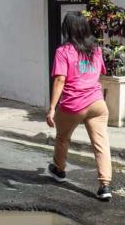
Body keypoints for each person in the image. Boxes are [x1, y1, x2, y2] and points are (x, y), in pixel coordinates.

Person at [46, 11, 113, 200]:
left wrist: (52, 108)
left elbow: (60, 79)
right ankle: (105, 185)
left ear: (67, 29)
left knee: (62, 138)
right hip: (97, 103)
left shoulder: (63, 51)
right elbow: (98, 73)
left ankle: (59, 170)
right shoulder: (96, 50)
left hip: (72, 105)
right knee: (101, 144)